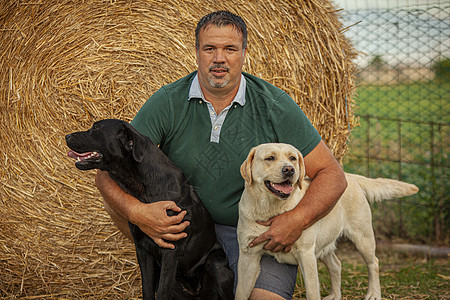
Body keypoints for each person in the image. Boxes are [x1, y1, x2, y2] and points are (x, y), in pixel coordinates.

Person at [95, 10, 347, 300]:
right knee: (119, 200)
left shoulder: (274, 104)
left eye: (230, 49)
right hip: (186, 231)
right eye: (209, 48)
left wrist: (297, 220)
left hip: (258, 232)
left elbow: (333, 175)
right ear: (197, 52)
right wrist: (136, 212)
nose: (219, 58)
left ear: (244, 53)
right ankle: (171, 269)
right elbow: (108, 170)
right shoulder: (168, 101)